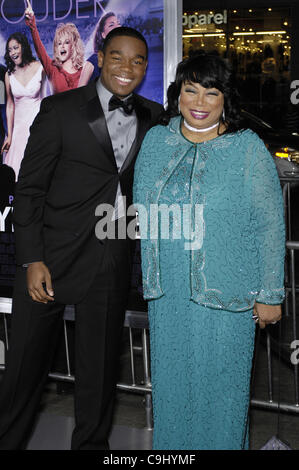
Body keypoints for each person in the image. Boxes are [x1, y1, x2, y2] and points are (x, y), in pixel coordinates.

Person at [0, 26, 163, 450]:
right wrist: (31, 259)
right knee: (22, 376)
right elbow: (30, 189)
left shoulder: (153, 115)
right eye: (118, 57)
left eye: (138, 60)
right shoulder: (60, 109)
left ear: (145, 67)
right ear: (101, 56)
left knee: (98, 378)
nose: (127, 67)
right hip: (47, 262)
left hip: (108, 262)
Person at [133, 52, 285, 450]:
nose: (199, 103)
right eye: (191, 90)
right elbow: (143, 214)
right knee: (174, 391)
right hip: (169, 299)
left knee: (223, 396)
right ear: (178, 94)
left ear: (225, 99)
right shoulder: (156, 141)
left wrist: (270, 295)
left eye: (211, 93)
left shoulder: (247, 148)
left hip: (228, 294)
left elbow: (270, 224)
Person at [1, 33, 46, 180]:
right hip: (18, 131)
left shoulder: (40, 68)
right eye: (10, 50)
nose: (13, 52)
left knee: (37, 173)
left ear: (23, 47)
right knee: (16, 175)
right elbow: (10, 105)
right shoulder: (9, 75)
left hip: (37, 126)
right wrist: (9, 135)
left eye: (15, 47)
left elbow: (46, 99)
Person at [24, 0, 93, 94]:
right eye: (59, 43)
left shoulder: (83, 71)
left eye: (67, 42)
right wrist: (32, 24)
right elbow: (39, 49)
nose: (62, 46)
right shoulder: (52, 69)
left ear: (74, 45)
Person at [87, 11, 121, 82]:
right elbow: (80, 91)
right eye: (111, 25)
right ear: (103, 35)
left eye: (118, 23)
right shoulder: (94, 61)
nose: (117, 27)